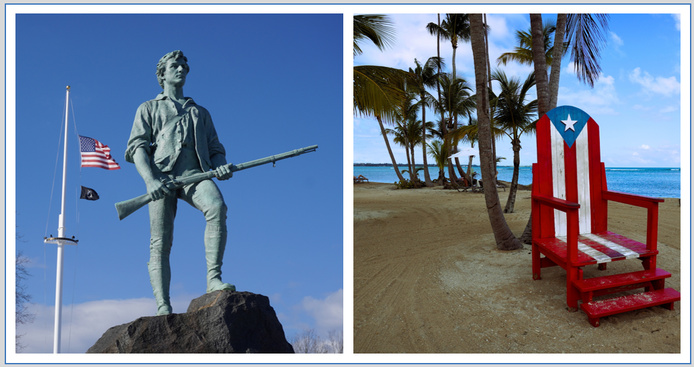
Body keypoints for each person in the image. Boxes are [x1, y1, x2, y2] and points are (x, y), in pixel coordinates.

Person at [125, 50, 234, 315]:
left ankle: (213, 279)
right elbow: (136, 148)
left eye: (184, 66)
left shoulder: (200, 111)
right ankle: (163, 304)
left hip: (194, 175)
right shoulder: (148, 108)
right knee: (160, 242)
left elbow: (214, 147)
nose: (181, 69)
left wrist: (220, 164)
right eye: (175, 65)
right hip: (161, 179)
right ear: (162, 74)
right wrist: (151, 181)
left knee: (217, 208)